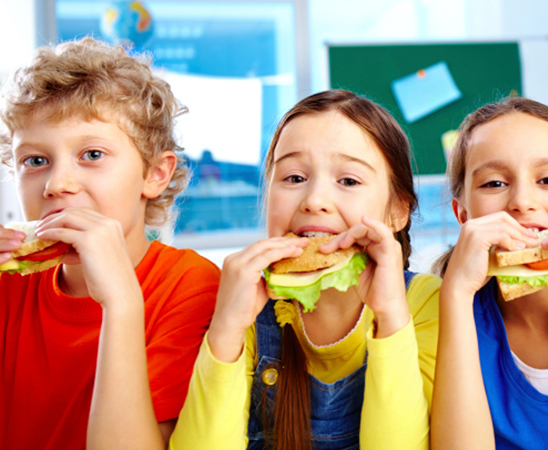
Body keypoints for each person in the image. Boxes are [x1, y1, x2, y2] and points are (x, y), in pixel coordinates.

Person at [169, 89, 441, 450]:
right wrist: (226, 329)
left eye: (348, 181)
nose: (314, 201)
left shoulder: (426, 304)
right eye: (294, 178)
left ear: (398, 212)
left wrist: (391, 317)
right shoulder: (244, 310)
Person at [0, 38, 220, 449]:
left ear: (155, 173)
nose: (57, 184)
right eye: (35, 161)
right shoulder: (8, 284)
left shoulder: (189, 286)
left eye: (93, 154)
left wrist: (121, 303)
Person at [430, 97, 548, 449]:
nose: (522, 201)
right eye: (494, 184)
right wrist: (457, 296)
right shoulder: (436, 315)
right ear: (463, 215)